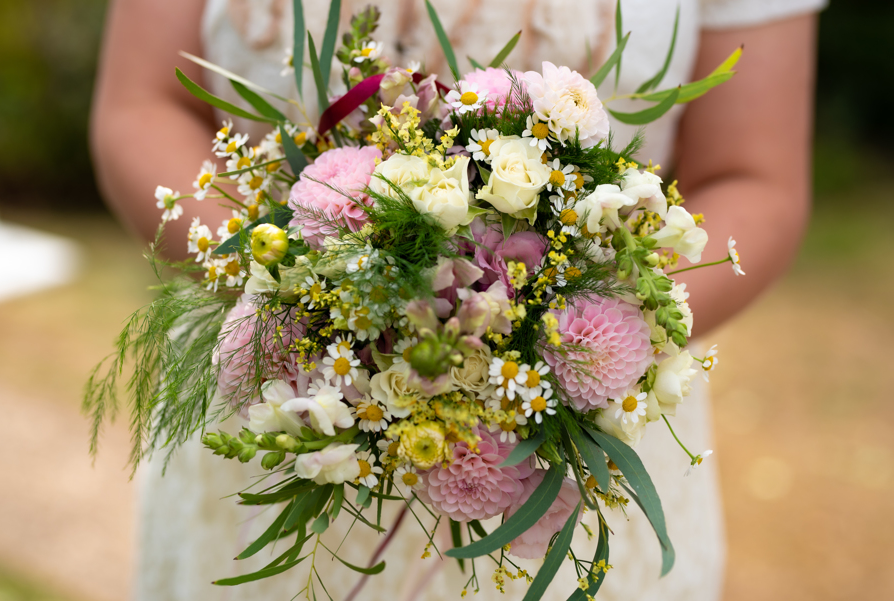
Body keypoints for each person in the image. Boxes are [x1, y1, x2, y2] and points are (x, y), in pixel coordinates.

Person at [90, 1, 825, 599]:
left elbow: (753, 175)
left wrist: (550, 342)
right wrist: (310, 298)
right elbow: (141, 103)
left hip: (576, 437)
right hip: (282, 412)